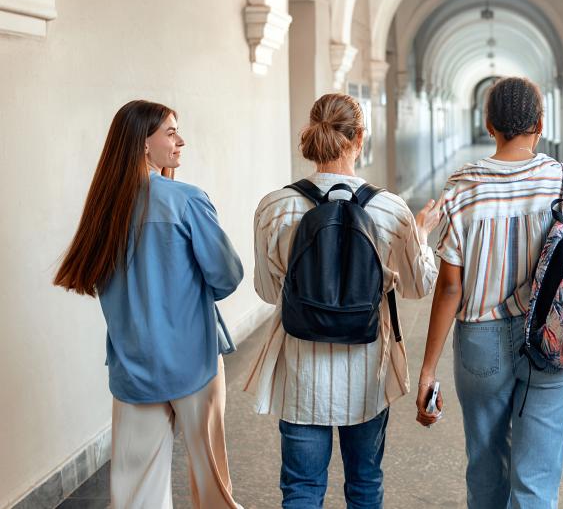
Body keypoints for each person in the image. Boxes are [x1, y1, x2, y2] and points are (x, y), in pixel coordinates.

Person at [245, 93, 441, 509]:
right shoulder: (390, 209)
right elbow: (418, 286)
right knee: (365, 485)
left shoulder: (274, 207)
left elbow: (266, 290)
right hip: (368, 370)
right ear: (360, 137)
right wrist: (421, 235)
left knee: (301, 489)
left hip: (299, 370)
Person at [415, 76, 563, 509]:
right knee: (536, 476)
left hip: (480, 342)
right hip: (552, 335)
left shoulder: (462, 186)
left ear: (488, 123)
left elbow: (449, 287)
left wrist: (428, 369)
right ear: (540, 122)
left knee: (484, 463)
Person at [54, 100, 244, 508]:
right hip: (194, 360)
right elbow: (227, 276)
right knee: (211, 485)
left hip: (133, 366)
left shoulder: (102, 211)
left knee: (136, 491)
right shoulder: (187, 199)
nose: (181, 141)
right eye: (171, 132)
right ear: (144, 143)